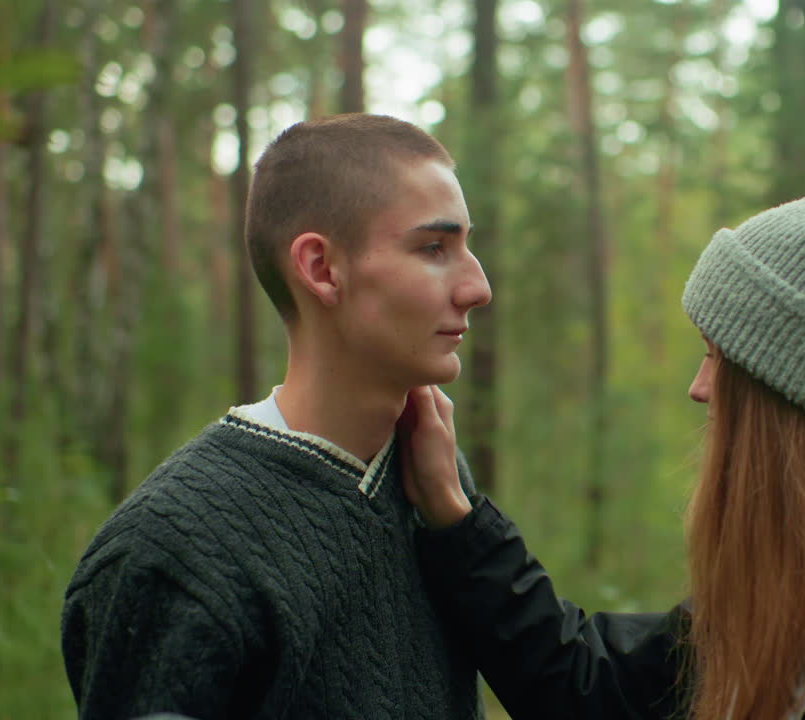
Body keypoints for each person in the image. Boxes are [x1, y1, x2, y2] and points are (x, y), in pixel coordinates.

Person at [397, 153, 805, 718]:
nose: (700, 387)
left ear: (792, 391)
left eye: (717, 356)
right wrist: (459, 523)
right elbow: (597, 690)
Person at [61, 114, 492, 719]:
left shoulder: (435, 482)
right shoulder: (171, 554)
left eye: (467, 246)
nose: (478, 287)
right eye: (433, 248)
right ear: (321, 269)